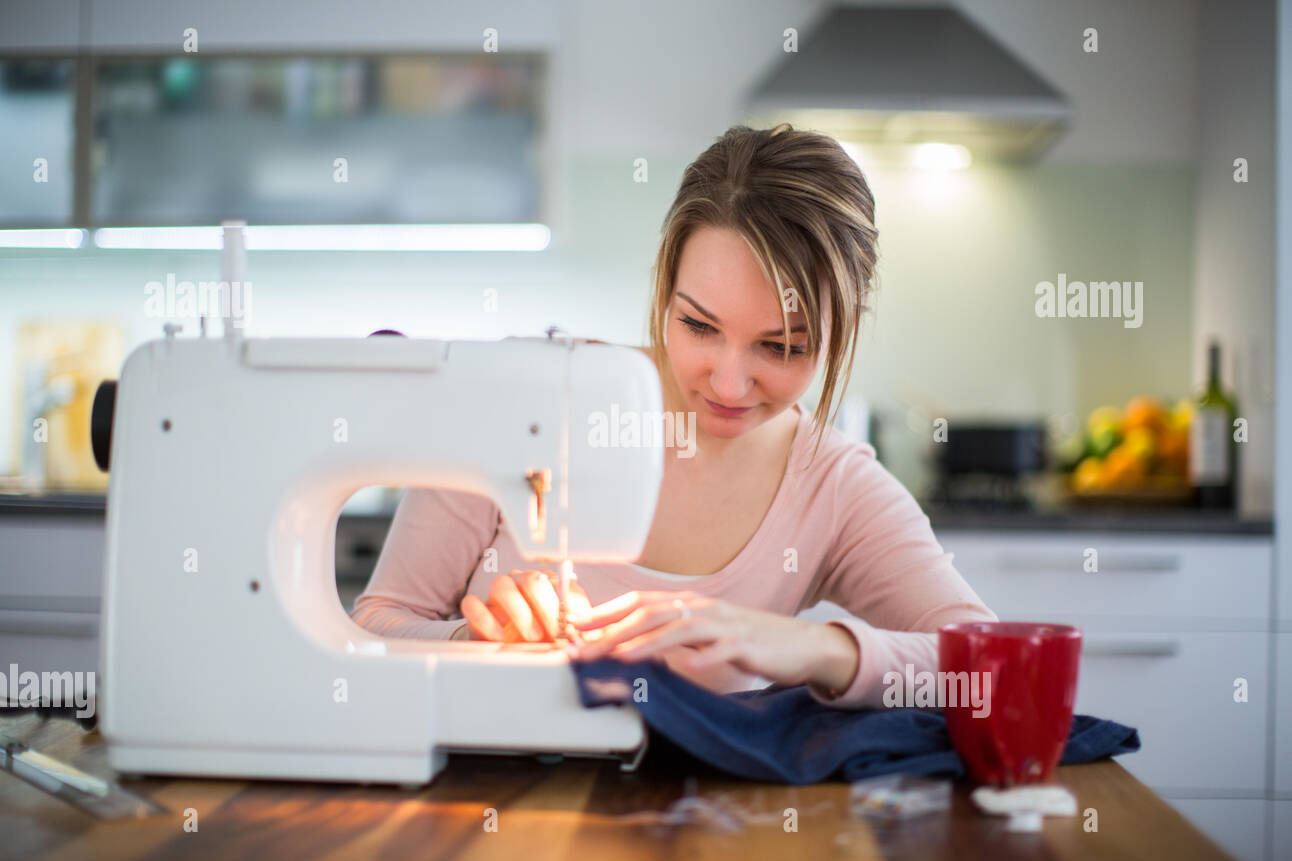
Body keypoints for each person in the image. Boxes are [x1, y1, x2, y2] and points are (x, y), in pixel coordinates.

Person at [351, 123, 997, 709]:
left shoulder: (834, 488)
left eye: (781, 346)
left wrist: (814, 649)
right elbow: (378, 621)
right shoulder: (522, 397)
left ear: (842, 330)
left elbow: (990, 668)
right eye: (698, 325)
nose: (728, 380)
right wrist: (471, 640)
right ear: (665, 287)